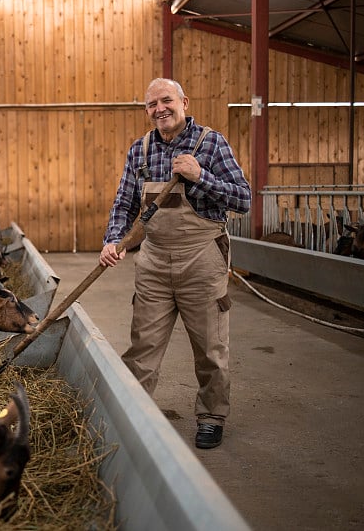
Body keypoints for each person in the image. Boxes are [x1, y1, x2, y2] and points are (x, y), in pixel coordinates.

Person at [99, 78, 251, 449]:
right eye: (152, 104)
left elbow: (243, 198)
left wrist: (201, 176)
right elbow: (125, 204)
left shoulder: (211, 144)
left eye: (166, 100)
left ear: (183, 101)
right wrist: (113, 239)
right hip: (154, 258)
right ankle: (133, 412)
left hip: (201, 256)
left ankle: (212, 415)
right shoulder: (141, 150)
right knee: (143, 343)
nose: (159, 109)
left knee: (209, 345)